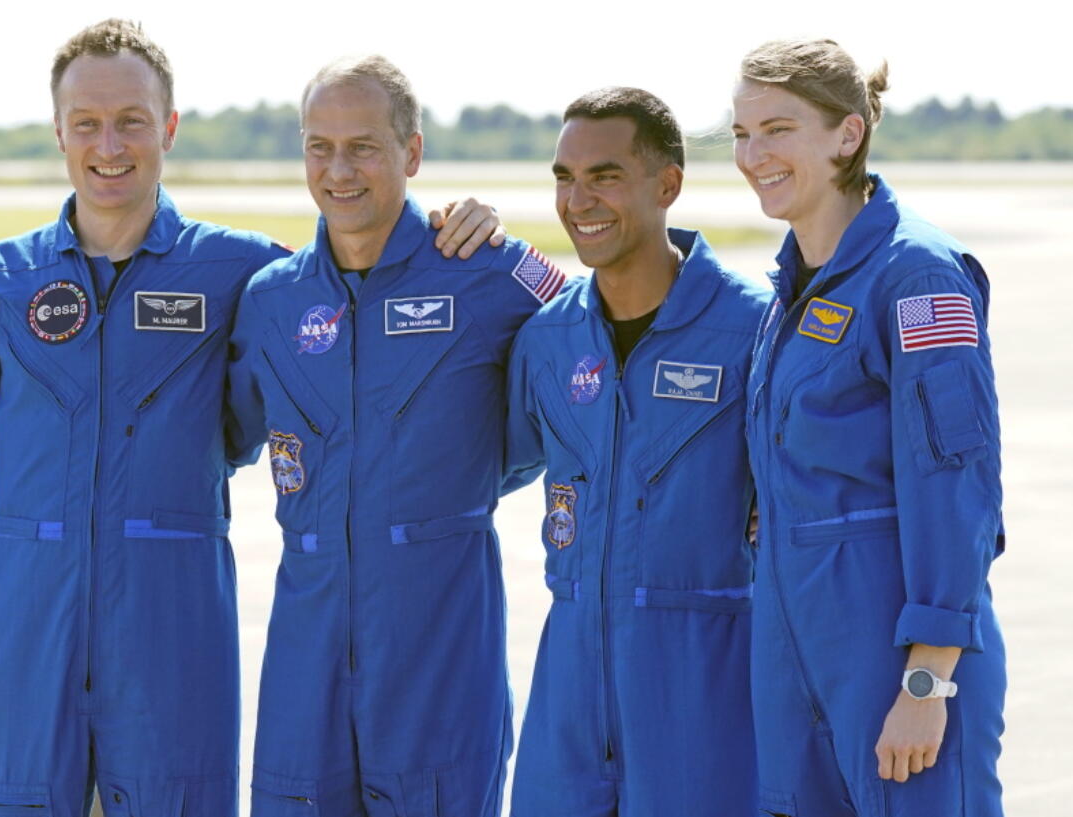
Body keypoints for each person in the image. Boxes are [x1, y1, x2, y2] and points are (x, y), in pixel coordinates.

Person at [0, 20, 502, 817]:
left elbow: (357, 280)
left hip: (171, 641)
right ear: (59, 132)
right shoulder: (1, 281)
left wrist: (456, 228)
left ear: (169, 128)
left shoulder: (243, 272)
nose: (109, 146)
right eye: (87, 124)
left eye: (132, 122)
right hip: (27, 642)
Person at [226, 55, 566, 817]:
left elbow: (601, 346)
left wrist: (485, 471)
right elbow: (209, 433)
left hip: (441, 659)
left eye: (364, 146)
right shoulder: (271, 301)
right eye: (320, 146)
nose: (339, 169)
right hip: (304, 663)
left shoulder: (484, 271)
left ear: (412, 153)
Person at [731, 38, 1006, 817]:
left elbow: (957, 480)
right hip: (798, 667)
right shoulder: (789, 290)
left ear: (847, 135)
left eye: (778, 129)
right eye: (742, 132)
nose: (753, 154)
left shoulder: (915, 275)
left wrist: (928, 678)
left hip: (897, 671)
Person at [502, 87, 768, 816]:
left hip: (705, 688)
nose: (579, 199)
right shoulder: (547, 340)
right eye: (564, 176)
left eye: (606, 175)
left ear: (668, 185)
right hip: (569, 691)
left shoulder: (753, 330)